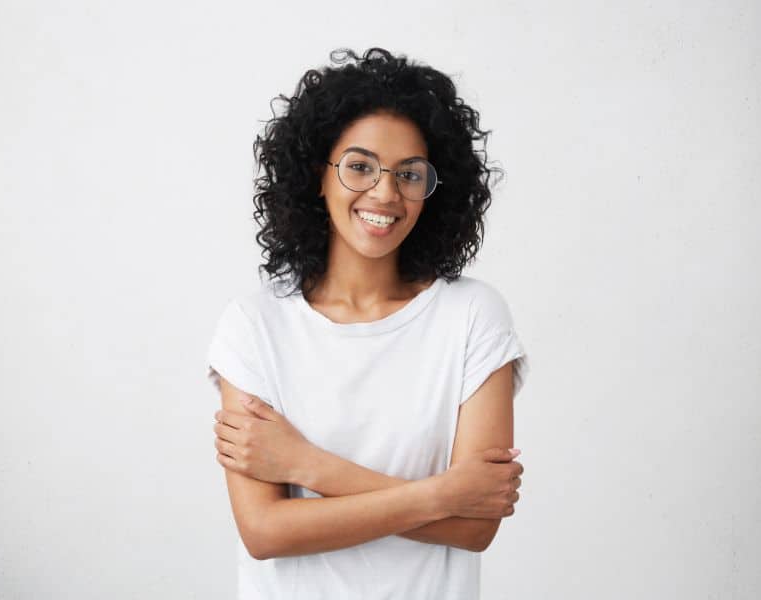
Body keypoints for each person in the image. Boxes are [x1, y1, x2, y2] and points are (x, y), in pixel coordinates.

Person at [205, 47, 530, 600]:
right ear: (318, 175)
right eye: (360, 166)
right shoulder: (253, 326)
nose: (385, 192)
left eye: (410, 174)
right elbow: (264, 532)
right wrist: (444, 495)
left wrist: (306, 465)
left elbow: (476, 527)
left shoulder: (472, 316)